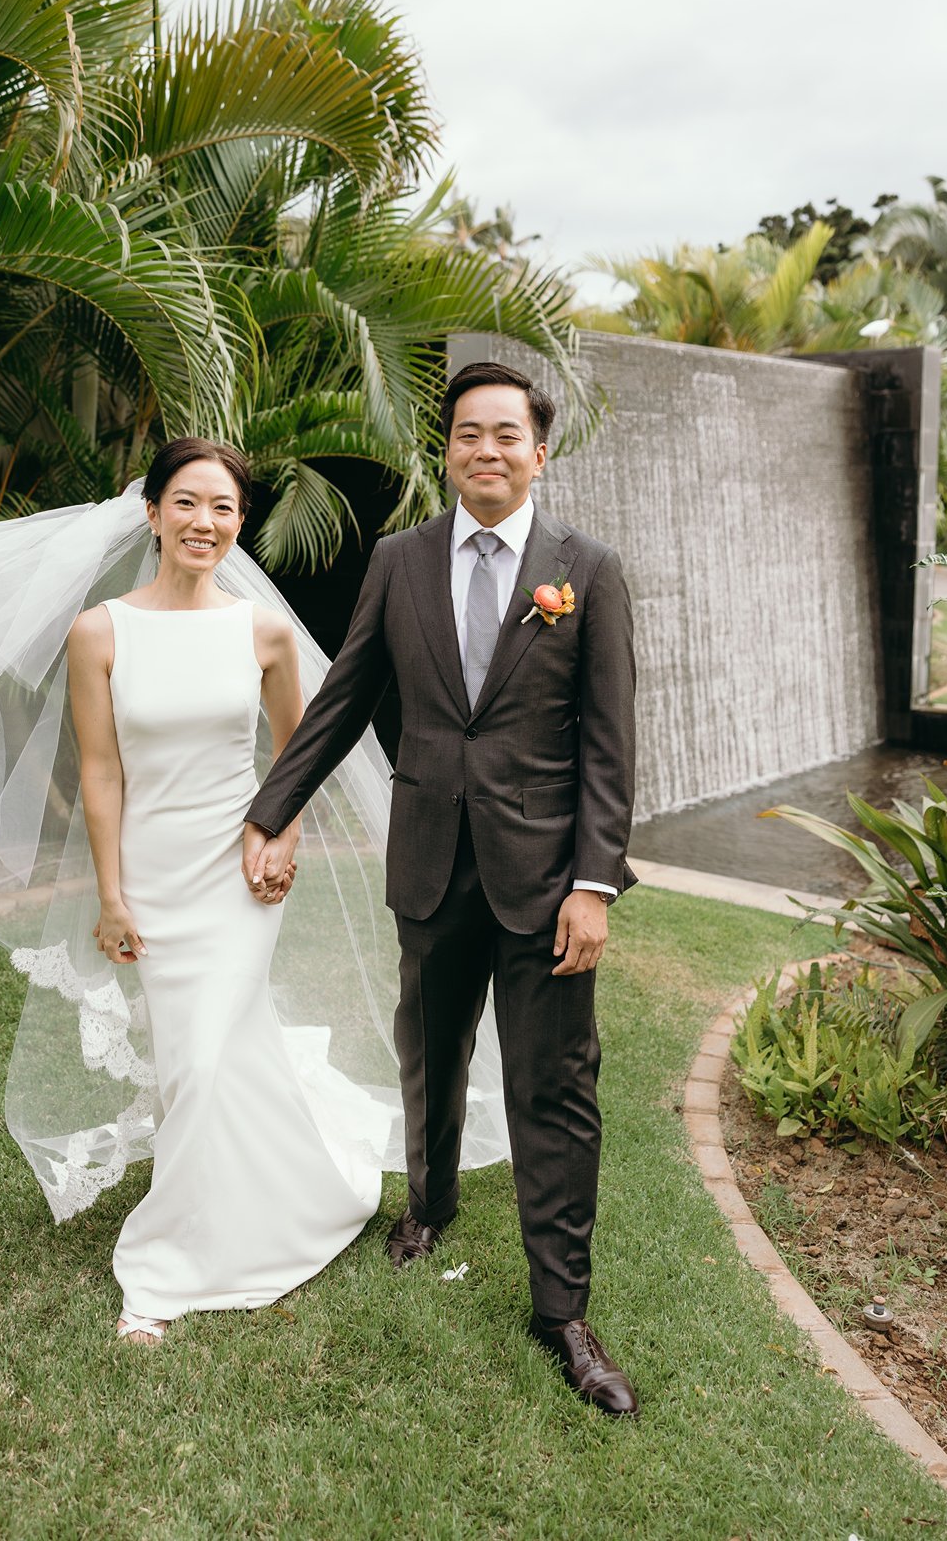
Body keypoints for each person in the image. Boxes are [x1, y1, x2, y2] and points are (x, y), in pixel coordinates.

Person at [244, 360, 640, 1415]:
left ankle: (561, 1311)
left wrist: (593, 884)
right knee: (430, 1050)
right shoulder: (399, 561)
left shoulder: (585, 571)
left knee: (553, 1086)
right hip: (428, 859)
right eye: (468, 434)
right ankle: (426, 1207)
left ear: (538, 453)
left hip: (548, 876)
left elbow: (608, 747)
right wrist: (267, 811)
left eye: (506, 435)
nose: (486, 451)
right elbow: (342, 698)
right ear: (448, 450)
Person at [64, 438, 381, 1341]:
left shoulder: (263, 631)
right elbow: (100, 773)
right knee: (195, 1064)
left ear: (240, 525)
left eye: (224, 509)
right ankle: (288, 1187)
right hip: (153, 877)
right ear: (153, 512)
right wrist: (111, 894)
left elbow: (298, 756)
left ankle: (160, 1276)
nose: (205, 523)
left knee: (201, 1062)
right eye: (188, 503)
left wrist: (279, 836)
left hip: (234, 876)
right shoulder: (100, 631)